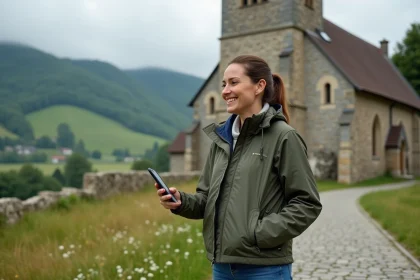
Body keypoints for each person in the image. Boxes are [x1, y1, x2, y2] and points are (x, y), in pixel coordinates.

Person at [155, 55, 322, 280]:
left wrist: (258, 234)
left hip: (265, 270)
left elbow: (307, 203)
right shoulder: (222, 139)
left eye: (233, 82)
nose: (225, 91)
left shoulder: (284, 137)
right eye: (224, 84)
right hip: (222, 268)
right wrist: (181, 202)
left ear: (259, 86)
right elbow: (206, 199)